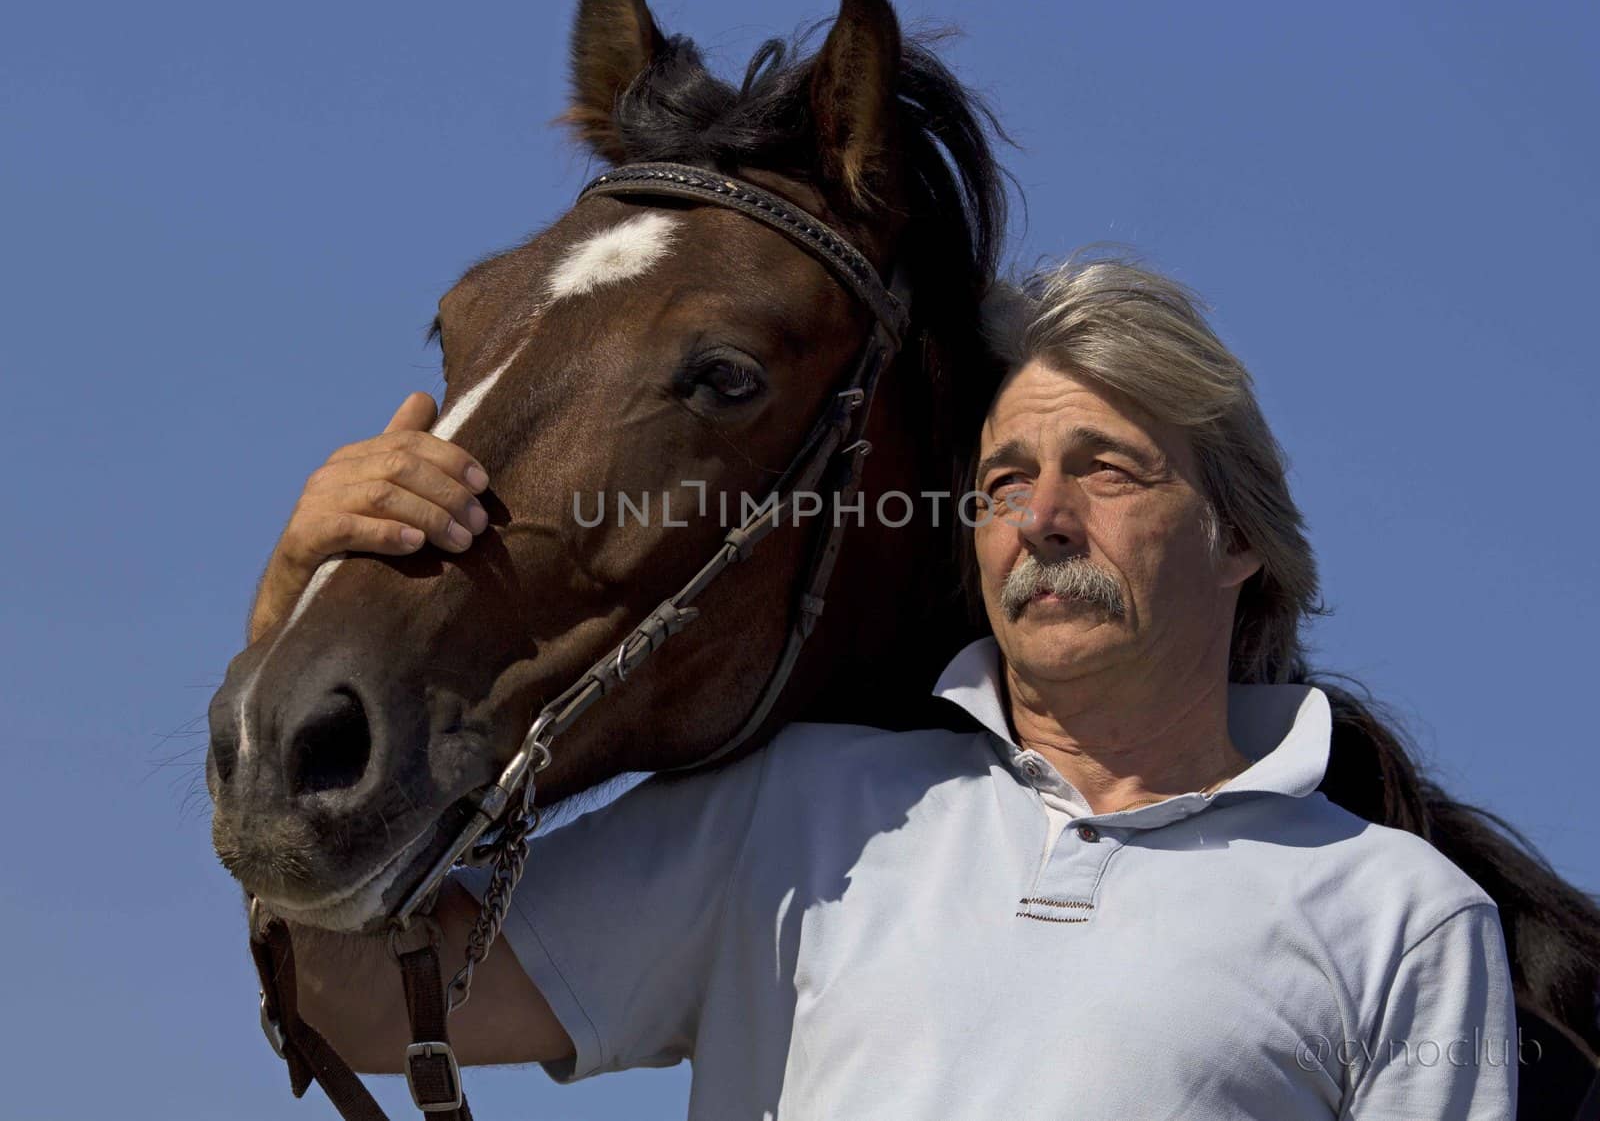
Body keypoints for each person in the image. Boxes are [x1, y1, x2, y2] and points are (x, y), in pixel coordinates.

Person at [264, 256, 1516, 1118]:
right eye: (1001, 483)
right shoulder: (798, 815)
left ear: (1237, 536)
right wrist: (297, 603)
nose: (1044, 519)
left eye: (1108, 470)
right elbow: (357, 1004)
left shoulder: (1398, 916)